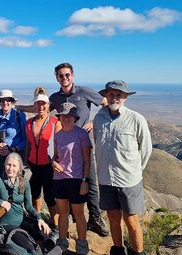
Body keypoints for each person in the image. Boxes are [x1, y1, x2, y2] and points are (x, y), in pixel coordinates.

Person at [16, 62, 110, 237]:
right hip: (64, 146)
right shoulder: (55, 97)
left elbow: (105, 103)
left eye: (67, 75)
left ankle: (95, 218)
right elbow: (40, 107)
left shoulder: (84, 91)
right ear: (57, 78)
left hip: (82, 142)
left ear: (72, 75)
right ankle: (73, 216)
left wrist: (94, 122)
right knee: (68, 180)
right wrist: (19, 107)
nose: (64, 78)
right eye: (60, 75)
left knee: (89, 180)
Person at [93, 81, 152, 255]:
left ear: (125, 97)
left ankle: (138, 252)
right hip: (105, 178)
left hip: (129, 180)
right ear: (106, 96)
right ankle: (118, 250)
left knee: (131, 219)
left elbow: (146, 149)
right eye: (111, 94)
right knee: (113, 218)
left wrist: (134, 170)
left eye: (119, 95)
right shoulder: (99, 118)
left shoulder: (136, 119)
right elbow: (97, 142)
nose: (115, 98)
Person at [0, 152, 51, 251]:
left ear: (19, 168)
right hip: (5, 225)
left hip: (21, 220)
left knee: (44, 234)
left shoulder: (24, 183)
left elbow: (29, 206)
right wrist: (0, 202)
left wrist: (39, 218)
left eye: (14, 166)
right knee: (28, 246)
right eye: (8, 165)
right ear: (4, 165)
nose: (10, 168)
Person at [52, 102, 91, 253]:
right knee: (62, 213)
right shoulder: (57, 136)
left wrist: (84, 181)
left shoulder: (81, 134)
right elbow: (54, 157)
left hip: (76, 179)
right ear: (60, 117)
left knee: (78, 214)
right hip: (59, 179)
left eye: (69, 115)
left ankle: (82, 245)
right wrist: (53, 163)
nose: (66, 118)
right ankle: (62, 244)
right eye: (63, 115)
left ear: (74, 118)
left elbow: (87, 160)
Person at [25, 88, 60, 239]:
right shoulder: (29, 123)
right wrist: (25, 161)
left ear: (48, 105)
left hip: (49, 165)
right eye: (38, 104)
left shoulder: (55, 122)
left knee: (50, 197)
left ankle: (56, 226)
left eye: (43, 104)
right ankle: (38, 221)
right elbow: (28, 143)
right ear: (35, 105)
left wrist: (57, 162)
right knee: (35, 193)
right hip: (33, 164)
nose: (41, 106)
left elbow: (60, 144)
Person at [0, 89, 27, 179]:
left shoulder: (19, 115)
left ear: (12, 102)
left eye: (8, 100)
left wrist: (13, 149)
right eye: (2, 100)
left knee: (14, 185)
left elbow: (25, 139)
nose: (5, 102)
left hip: (14, 157)